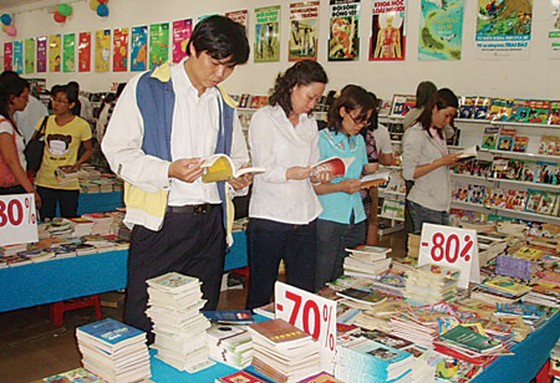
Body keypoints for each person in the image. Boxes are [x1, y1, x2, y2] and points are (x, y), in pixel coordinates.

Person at [101, 15, 251, 340]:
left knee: (198, 314)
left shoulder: (223, 103)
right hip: (162, 223)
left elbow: (237, 159)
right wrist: (167, 170)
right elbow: (117, 152)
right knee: (147, 314)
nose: (220, 74)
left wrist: (237, 178)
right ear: (193, 48)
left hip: (210, 224)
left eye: (230, 67)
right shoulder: (146, 88)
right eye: (215, 62)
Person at [246, 60, 330, 310]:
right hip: (270, 216)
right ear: (293, 86)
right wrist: (291, 173)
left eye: (317, 99)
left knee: (302, 291)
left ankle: (298, 343)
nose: (312, 104)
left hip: (304, 215)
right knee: (262, 288)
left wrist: (320, 173)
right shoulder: (264, 118)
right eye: (310, 97)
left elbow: (313, 163)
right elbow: (263, 168)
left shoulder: (310, 123)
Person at [314, 85, 379, 290]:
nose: (361, 125)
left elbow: (358, 173)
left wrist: (370, 179)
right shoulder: (322, 139)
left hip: (356, 216)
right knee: (323, 278)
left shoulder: (359, 141)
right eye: (358, 119)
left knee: (347, 279)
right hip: (328, 218)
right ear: (343, 111)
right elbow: (312, 186)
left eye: (366, 120)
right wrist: (340, 186)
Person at [401, 88, 460, 234]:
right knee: (424, 252)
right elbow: (408, 173)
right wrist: (440, 162)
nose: (448, 121)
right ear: (434, 108)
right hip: (424, 203)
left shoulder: (439, 133)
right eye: (446, 116)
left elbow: (437, 162)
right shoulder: (415, 135)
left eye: (451, 118)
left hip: (440, 203)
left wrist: (450, 161)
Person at [33, 83, 92, 219]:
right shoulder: (46, 121)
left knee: (70, 218)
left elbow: (89, 149)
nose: (56, 104)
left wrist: (78, 163)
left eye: (61, 101)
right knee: (46, 219)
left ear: (71, 105)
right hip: (45, 180)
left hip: (68, 182)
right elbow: (34, 143)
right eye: (54, 99)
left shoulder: (81, 125)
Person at [0, 71, 41, 206]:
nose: (27, 101)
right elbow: (12, 161)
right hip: (9, 188)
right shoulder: (4, 126)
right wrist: (31, 191)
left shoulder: (10, 121)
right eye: (24, 97)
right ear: (12, 98)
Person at [361, 91, 394, 245]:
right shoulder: (381, 130)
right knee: (372, 220)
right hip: (371, 181)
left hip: (353, 182)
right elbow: (388, 160)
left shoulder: (358, 131)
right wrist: (376, 157)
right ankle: (370, 255)